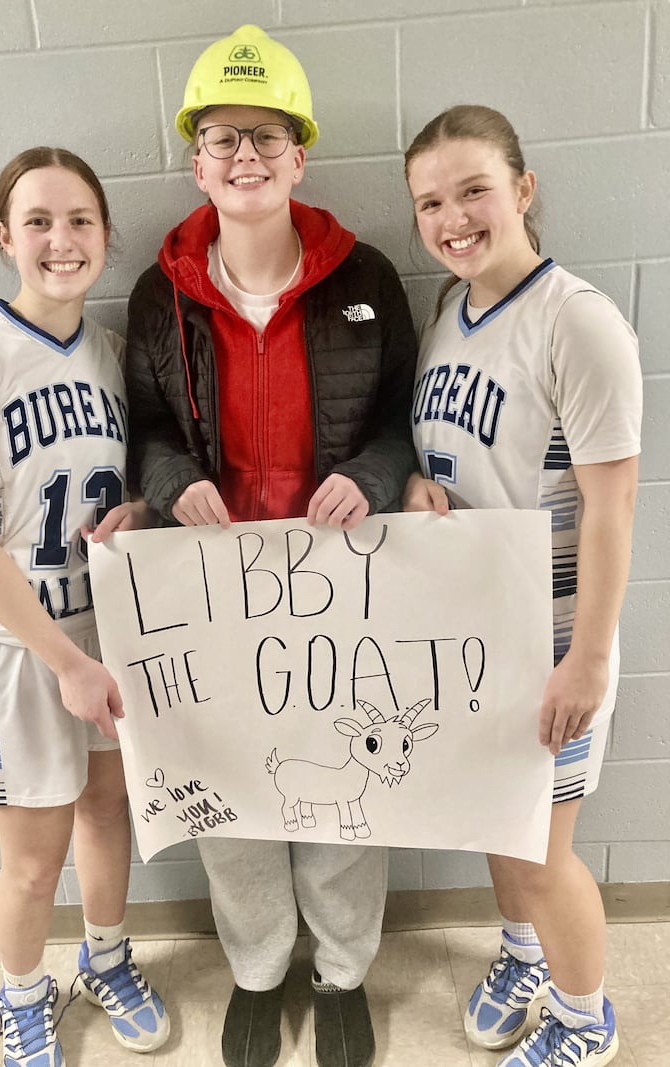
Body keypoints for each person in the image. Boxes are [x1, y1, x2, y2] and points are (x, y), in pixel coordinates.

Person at [119, 24, 418, 1067]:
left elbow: (396, 417)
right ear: (194, 158)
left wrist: (373, 478)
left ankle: (340, 973)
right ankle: (257, 971)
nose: (243, 155)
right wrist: (173, 483)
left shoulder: (365, 275)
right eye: (220, 137)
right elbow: (145, 429)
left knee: (342, 784)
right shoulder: (162, 293)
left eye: (266, 136)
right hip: (210, 592)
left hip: (338, 591)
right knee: (229, 790)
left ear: (301, 153)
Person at [0, 147, 170, 1067]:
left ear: (105, 233)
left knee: (108, 813)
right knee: (31, 857)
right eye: (39, 222)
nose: (62, 241)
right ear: (4, 237)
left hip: (104, 631)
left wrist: (135, 512)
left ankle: (107, 957)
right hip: (25, 646)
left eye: (80, 221)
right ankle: (22, 996)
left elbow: (118, 488)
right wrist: (66, 662)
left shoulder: (111, 353)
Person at [403, 105, 641, 1067]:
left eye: (473, 191)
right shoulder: (444, 315)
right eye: (430, 202)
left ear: (523, 190)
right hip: (471, 636)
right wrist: (423, 480)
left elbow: (615, 509)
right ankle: (522, 956)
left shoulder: (576, 320)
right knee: (496, 827)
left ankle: (588, 1022)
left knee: (542, 854)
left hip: (550, 643)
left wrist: (584, 660)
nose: (453, 218)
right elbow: (452, 455)